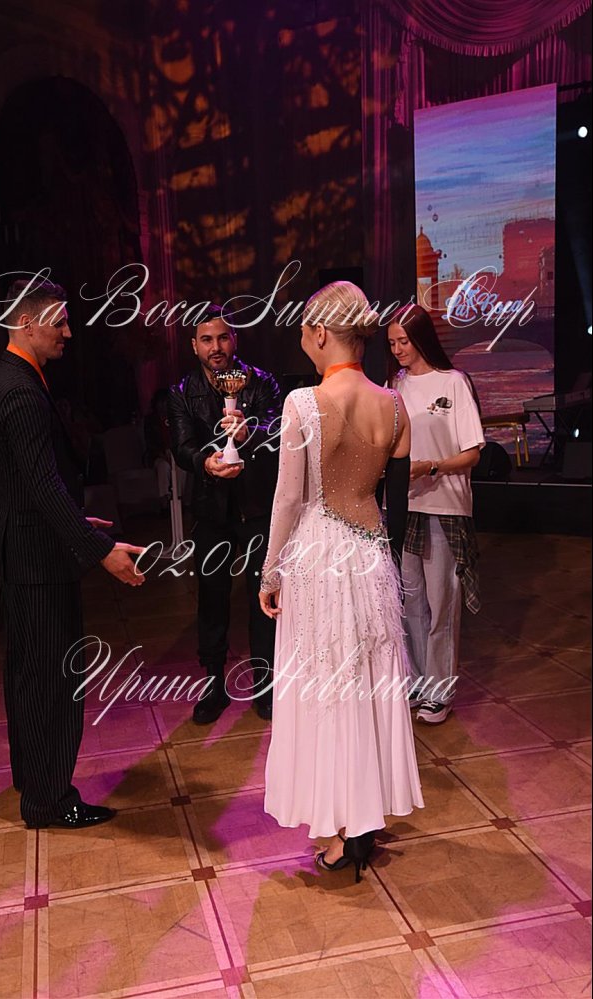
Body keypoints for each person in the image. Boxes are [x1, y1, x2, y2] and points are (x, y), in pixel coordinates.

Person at [260, 281, 423, 882]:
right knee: (369, 685)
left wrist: (269, 571)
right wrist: (384, 563)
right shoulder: (395, 405)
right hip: (370, 555)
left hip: (317, 558)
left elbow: (287, 499)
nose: (302, 340)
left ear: (322, 333)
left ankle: (337, 831)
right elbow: (397, 503)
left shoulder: (303, 403)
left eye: (304, 330)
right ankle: (363, 823)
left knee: (325, 691)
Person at [0, 278, 145, 829]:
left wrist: (77, 522)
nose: (69, 332)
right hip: (37, 562)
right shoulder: (20, 390)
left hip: (28, 550)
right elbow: (43, 485)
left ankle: (35, 783)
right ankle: (50, 800)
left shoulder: (11, 378)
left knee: (32, 678)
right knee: (52, 683)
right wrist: (99, 549)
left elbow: (28, 487)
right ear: (27, 323)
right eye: (60, 321)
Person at [168, 305, 282, 724]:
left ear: (235, 339)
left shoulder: (263, 382)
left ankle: (264, 687)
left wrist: (249, 432)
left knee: (263, 596)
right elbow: (182, 447)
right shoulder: (182, 392)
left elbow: (279, 431)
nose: (215, 347)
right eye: (206, 339)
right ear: (193, 345)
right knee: (212, 597)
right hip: (211, 507)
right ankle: (214, 685)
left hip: (256, 505)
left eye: (222, 337)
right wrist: (206, 462)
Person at [388, 304, 485, 725]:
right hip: (404, 507)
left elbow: (472, 453)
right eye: (392, 343)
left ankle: (440, 692)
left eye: (404, 341)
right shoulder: (393, 386)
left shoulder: (454, 382)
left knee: (441, 604)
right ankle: (418, 683)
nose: (397, 350)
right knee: (410, 602)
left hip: (445, 506)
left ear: (422, 339)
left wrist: (430, 467)